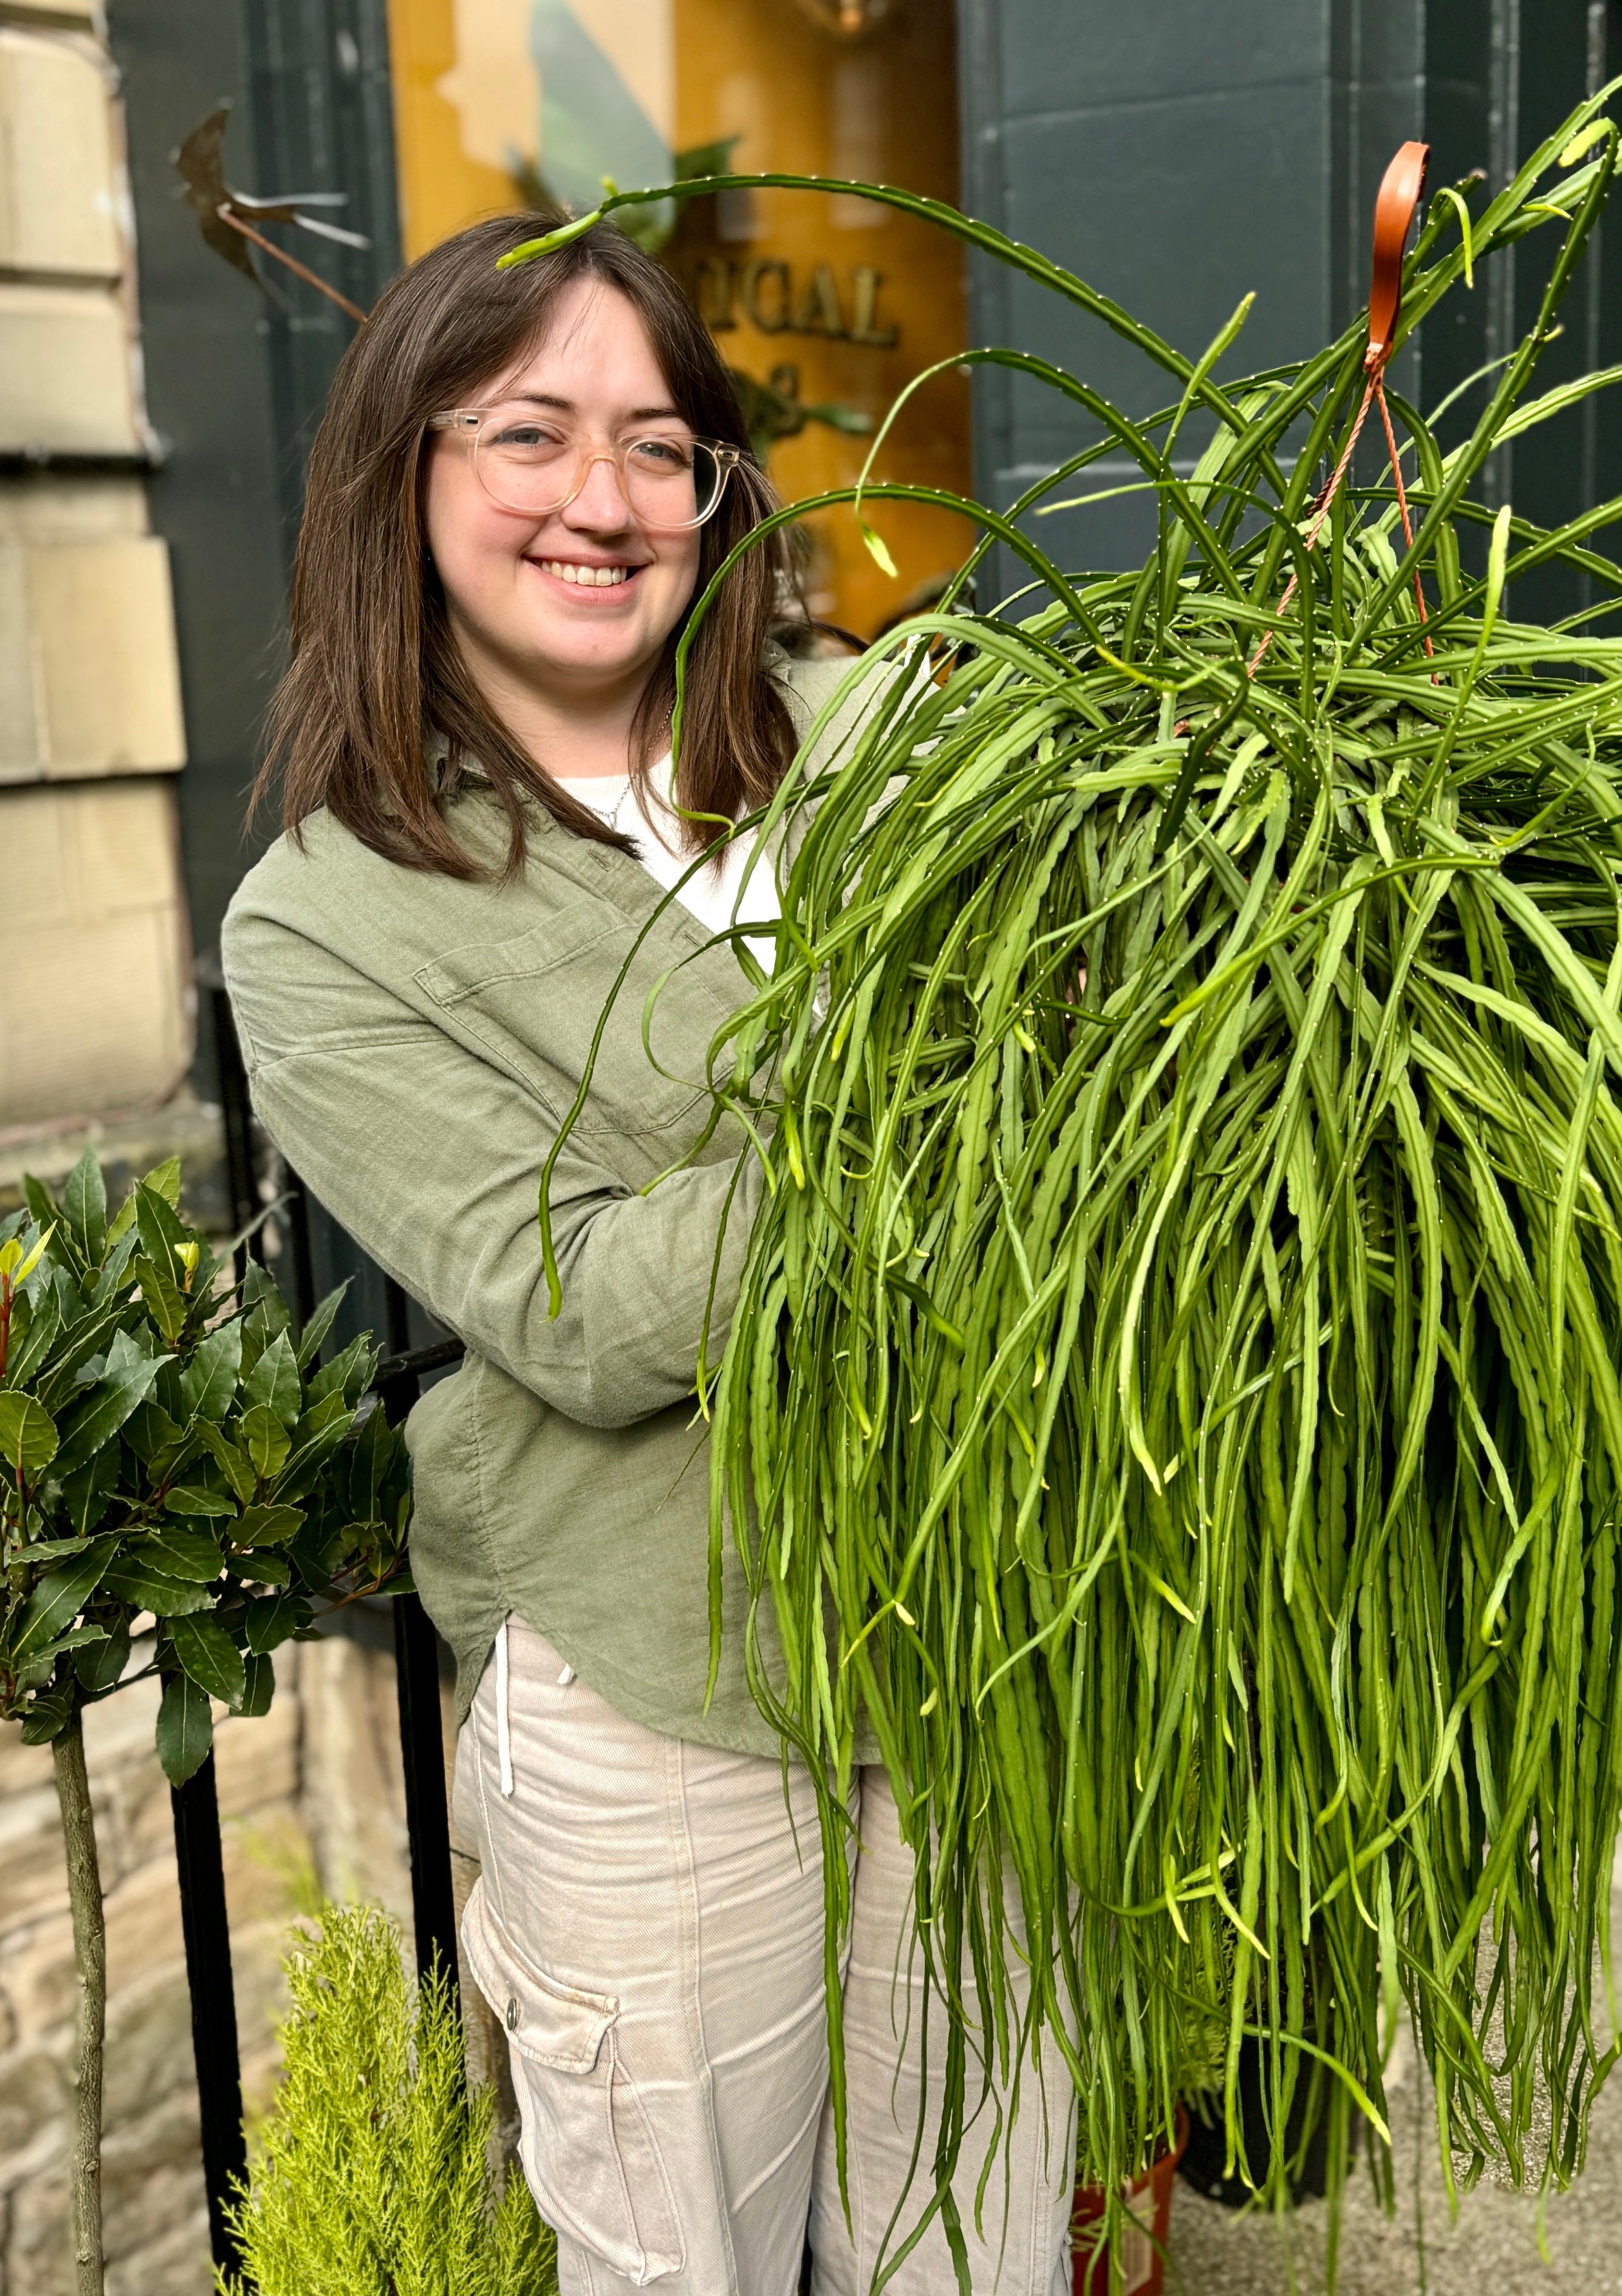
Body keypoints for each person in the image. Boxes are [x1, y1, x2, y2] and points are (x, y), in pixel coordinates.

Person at [221, 214, 1075, 2296]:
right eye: (528, 433)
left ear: (715, 486)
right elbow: (586, 1315)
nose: (601, 501)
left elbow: (1105, 1050)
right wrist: (941, 1112)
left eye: (655, 442)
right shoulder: (329, 923)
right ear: (403, 480)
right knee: (682, 2261)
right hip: (668, 1671)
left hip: (984, 1634)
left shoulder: (882, 737)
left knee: (977, 2241)